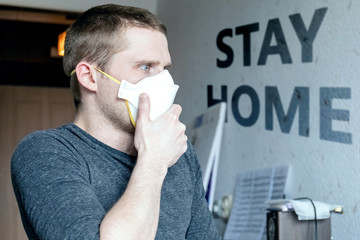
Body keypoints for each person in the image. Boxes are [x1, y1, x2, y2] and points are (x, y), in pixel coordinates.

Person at [11, 4, 221, 240]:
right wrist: (153, 162)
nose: (164, 80)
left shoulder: (179, 154)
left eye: (165, 69)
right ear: (89, 77)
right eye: (145, 66)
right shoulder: (45, 152)